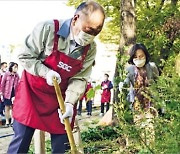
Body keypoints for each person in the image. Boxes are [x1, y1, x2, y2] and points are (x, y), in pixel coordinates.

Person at [7, 1, 105, 153]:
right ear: (75, 19)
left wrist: (70, 104)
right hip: (32, 93)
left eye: (95, 33)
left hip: (61, 100)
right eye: (88, 30)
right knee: (20, 143)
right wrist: (46, 72)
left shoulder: (90, 48)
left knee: (61, 146)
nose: (90, 36)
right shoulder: (47, 29)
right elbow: (25, 56)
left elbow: (80, 78)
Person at [119, 43, 159, 145]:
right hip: (137, 103)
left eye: (141, 56)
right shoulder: (130, 69)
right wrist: (122, 84)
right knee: (140, 127)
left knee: (150, 128)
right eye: (135, 57)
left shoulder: (152, 67)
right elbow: (127, 81)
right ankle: (143, 148)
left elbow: (158, 82)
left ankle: (150, 149)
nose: (138, 59)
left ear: (145, 55)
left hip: (150, 103)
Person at [0, 62, 20, 127]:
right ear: (11, 67)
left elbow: (19, 84)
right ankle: (7, 121)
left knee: (13, 107)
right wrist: (1, 93)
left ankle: (12, 121)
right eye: (15, 67)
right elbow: (2, 84)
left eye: (17, 67)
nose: (16, 68)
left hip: (14, 93)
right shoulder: (6, 74)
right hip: (7, 93)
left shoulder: (17, 75)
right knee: (7, 107)